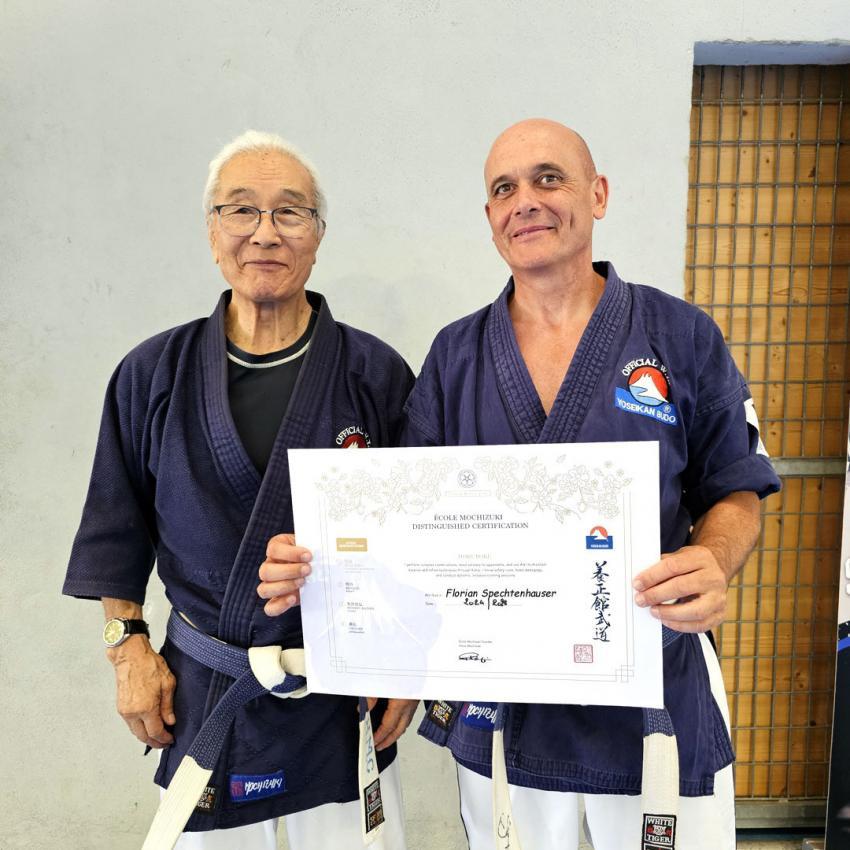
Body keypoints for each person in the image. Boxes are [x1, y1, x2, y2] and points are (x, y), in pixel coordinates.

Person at [402, 119, 780, 850]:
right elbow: (412, 513)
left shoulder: (680, 335)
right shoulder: (454, 354)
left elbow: (734, 485)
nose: (526, 201)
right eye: (504, 189)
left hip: (651, 673)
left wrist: (715, 559)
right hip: (506, 696)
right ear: (490, 220)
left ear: (598, 194)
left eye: (550, 178)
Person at [63, 130, 417, 850]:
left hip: (341, 693)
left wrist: (406, 663)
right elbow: (115, 527)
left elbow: (421, 536)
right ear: (212, 232)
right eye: (240, 211)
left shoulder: (375, 375)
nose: (264, 233)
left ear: (318, 235)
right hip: (207, 687)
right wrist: (127, 649)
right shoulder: (152, 373)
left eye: (290, 213)